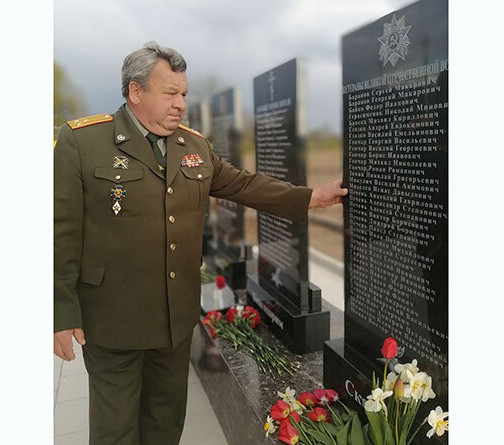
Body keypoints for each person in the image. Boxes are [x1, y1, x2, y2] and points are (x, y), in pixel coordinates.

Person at [54, 41, 347, 445]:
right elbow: (59, 229)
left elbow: (242, 184)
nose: (180, 104)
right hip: (111, 319)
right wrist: (60, 311)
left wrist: (309, 197)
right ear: (135, 92)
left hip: (174, 317)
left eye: (184, 94)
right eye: (170, 93)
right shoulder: (83, 143)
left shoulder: (192, 146)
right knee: (115, 429)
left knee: (165, 421)